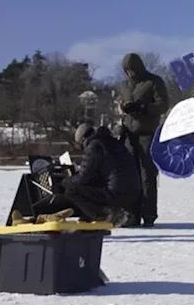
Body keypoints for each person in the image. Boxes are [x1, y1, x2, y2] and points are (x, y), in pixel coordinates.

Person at [32, 122, 140, 225]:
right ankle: (93, 215)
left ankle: (106, 216)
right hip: (133, 192)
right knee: (86, 198)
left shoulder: (94, 146)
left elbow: (82, 178)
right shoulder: (111, 141)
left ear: (83, 139)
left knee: (72, 190)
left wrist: (63, 183)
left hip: (116, 193)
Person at [116, 53, 169, 227]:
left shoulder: (154, 82)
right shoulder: (124, 85)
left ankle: (148, 214)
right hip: (129, 134)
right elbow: (120, 103)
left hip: (148, 133)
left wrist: (143, 107)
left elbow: (163, 105)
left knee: (147, 175)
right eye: (127, 71)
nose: (130, 73)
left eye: (132, 70)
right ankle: (131, 214)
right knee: (130, 176)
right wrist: (123, 109)